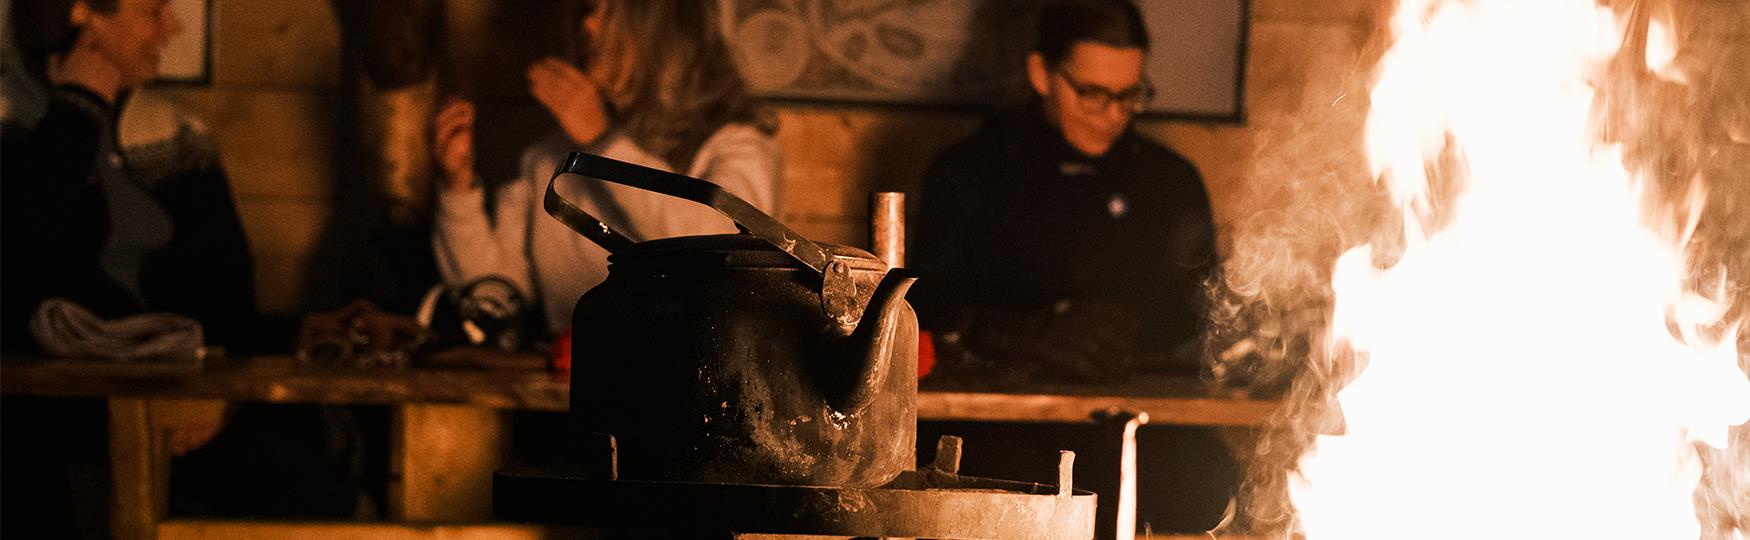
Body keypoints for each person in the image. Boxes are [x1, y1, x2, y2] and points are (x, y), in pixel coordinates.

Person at [1, 1, 358, 534]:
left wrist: (219, 396)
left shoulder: (175, 132)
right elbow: (20, 262)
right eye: (153, 10)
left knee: (313, 487)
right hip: (45, 410)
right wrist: (76, 110)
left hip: (183, 399)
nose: (172, 26)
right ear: (83, 14)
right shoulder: (9, 120)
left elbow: (227, 294)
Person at [910, 0, 1236, 533]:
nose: (1112, 114)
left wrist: (1126, 335)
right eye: (1092, 94)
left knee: (1205, 479)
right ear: (1042, 74)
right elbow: (927, 309)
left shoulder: (1169, 183)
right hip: (1002, 424)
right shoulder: (968, 174)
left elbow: (1201, 315)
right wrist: (1025, 332)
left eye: (1130, 96)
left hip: (1135, 419)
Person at [430, 0, 782, 341]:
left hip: (692, 387)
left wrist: (603, 141)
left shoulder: (737, 144)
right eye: (587, 9)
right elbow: (497, 296)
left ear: (662, 29)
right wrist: (458, 188)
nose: (588, 25)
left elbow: (724, 252)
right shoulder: (550, 155)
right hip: (576, 385)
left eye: (609, 10)